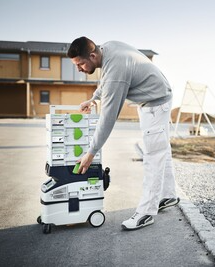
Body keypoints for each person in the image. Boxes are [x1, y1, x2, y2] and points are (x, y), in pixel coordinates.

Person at [67, 37, 180, 230]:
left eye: (81, 64)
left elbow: (107, 118)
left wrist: (90, 153)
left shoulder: (115, 72)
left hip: (155, 103)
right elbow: (106, 80)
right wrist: (94, 99)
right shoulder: (108, 48)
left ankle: (146, 213)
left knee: (153, 155)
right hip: (156, 97)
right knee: (161, 149)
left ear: (92, 56)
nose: (79, 69)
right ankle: (168, 194)